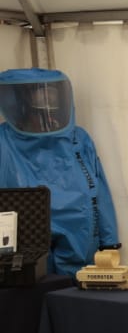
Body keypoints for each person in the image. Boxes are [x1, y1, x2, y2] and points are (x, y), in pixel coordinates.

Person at [0, 69, 119, 274]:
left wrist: (110, 241)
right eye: (39, 94)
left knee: (75, 286)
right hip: (25, 236)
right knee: (33, 283)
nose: (47, 101)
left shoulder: (78, 138)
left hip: (79, 232)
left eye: (51, 93)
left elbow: (99, 189)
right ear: (23, 99)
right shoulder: (4, 141)